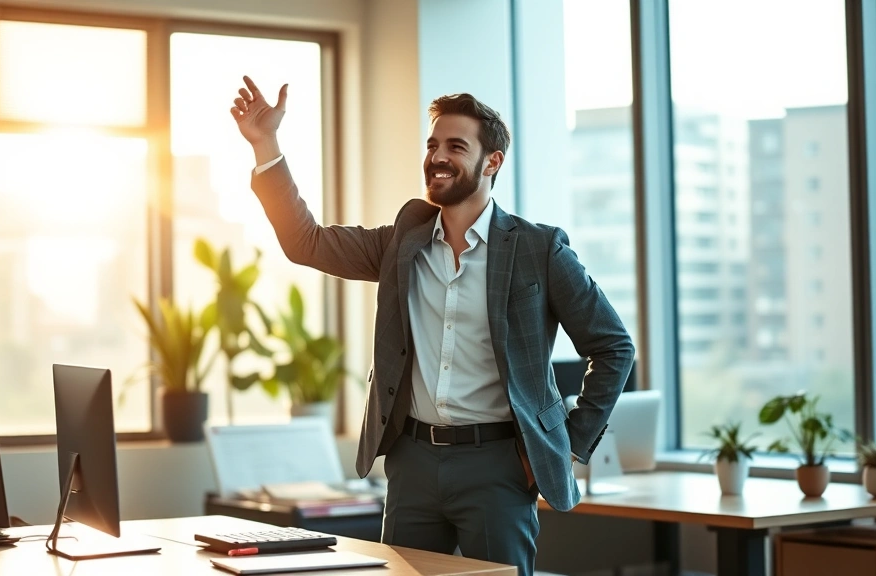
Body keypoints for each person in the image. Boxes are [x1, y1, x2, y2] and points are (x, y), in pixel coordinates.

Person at [230, 76, 634, 576]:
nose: (438, 156)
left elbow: (614, 347)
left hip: (499, 467)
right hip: (413, 463)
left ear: (493, 162)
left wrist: (568, 444)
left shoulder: (539, 249)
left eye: (455, 146)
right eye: (433, 144)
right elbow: (305, 241)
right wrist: (266, 144)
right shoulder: (404, 240)